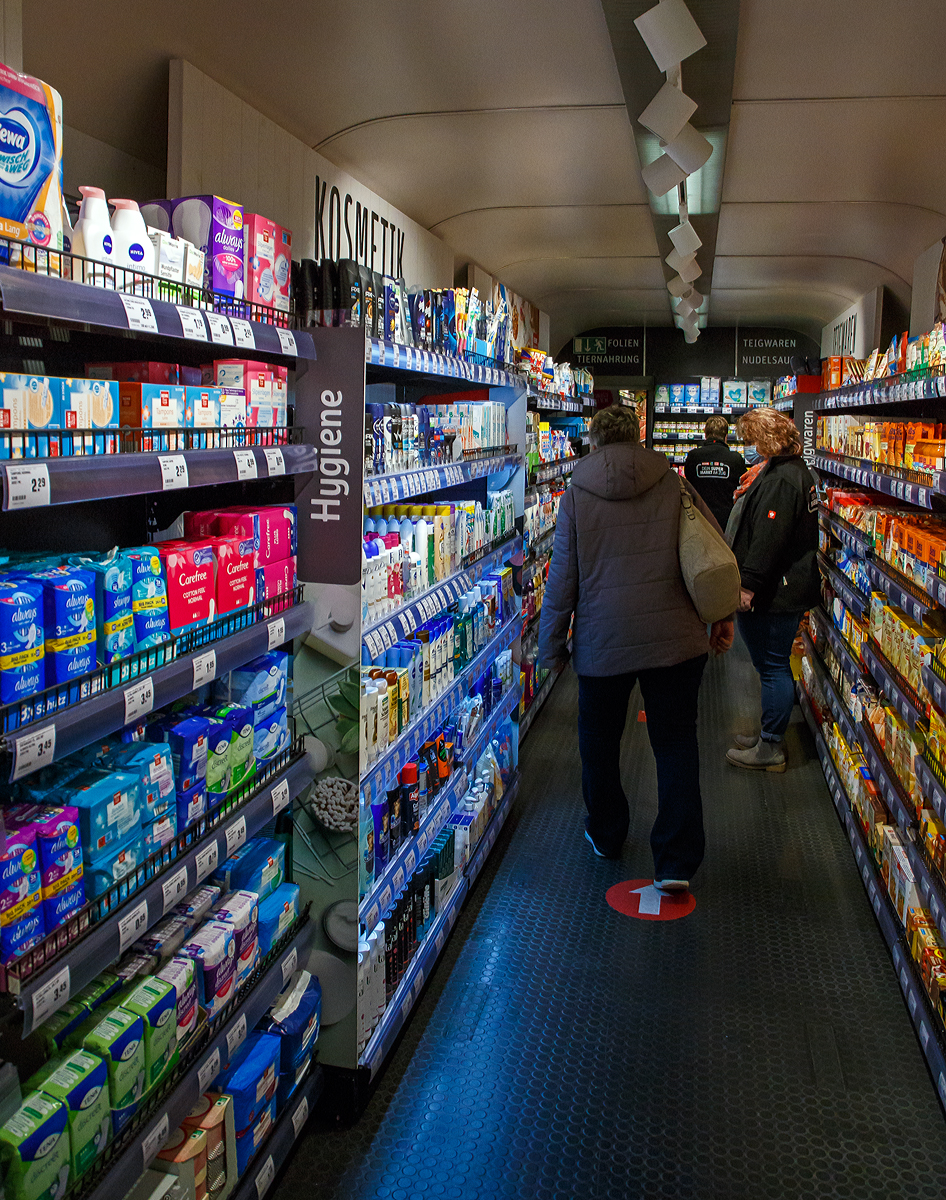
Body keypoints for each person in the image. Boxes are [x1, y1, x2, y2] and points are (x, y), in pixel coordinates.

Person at [537, 404, 734, 892]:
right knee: (675, 742)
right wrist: (722, 616)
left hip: (603, 641)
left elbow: (562, 580)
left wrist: (552, 648)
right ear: (637, 435)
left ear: (595, 441)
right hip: (676, 637)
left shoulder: (577, 494)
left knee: (598, 742)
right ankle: (676, 860)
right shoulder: (672, 482)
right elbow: (709, 551)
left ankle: (606, 833)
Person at [725, 407, 821, 773]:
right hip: (782, 586)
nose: (749, 447)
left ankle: (770, 746)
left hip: (777, 591)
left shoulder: (783, 479)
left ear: (767, 439)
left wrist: (748, 585)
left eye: (752, 439)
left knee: (773, 667)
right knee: (770, 665)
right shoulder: (791, 471)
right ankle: (768, 733)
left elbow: (770, 538)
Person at [683, 415, 746, 530]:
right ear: (726, 436)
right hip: (726, 521)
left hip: (699, 518)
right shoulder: (735, 458)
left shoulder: (693, 456)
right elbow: (742, 486)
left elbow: (688, 482)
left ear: (705, 434)